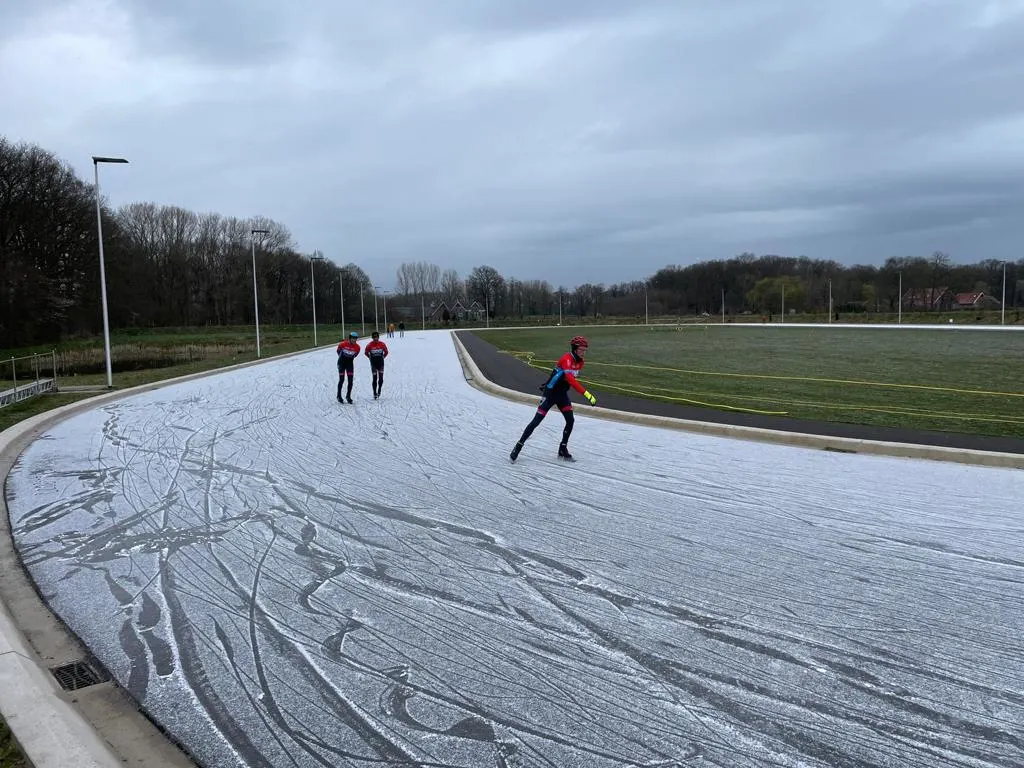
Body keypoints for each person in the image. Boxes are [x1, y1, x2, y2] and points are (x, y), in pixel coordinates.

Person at [510, 335, 596, 463]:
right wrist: (587, 395)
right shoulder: (566, 359)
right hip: (550, 394)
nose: (583, 353)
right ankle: (518, 446)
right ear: (574, 349)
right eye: (581, 350)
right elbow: (571, 380)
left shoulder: (580, 362)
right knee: (536, 421)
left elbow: (568, 379)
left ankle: (562, 448)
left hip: (562, 395)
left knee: (570, 420)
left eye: (585, 350)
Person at [336, 331, 360, 403]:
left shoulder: (358, 347)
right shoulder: (342, 344)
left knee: (350, 381)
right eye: (353, 338)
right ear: (350, 338)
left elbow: (355, 355)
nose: (354, 340)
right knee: (341, 380)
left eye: (355, 338)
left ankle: (348, 396)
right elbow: (338, 351)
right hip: (341, 363)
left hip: (349, 364)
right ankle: (339, 396)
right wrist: (341, 359)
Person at [364, 330, 389, 399]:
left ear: (378, 337)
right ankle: (374, 393)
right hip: (373, 364)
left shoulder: (382, 344)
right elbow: (366, 352)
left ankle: (379, 390)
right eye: (374, 337)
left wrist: (383, 357)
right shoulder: (369, 345)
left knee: (381, 378)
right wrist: (370, 358)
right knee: (374, 378)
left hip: (381, 363)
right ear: (372, 338)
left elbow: (386, 352)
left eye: (376, 337)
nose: (375, 338)